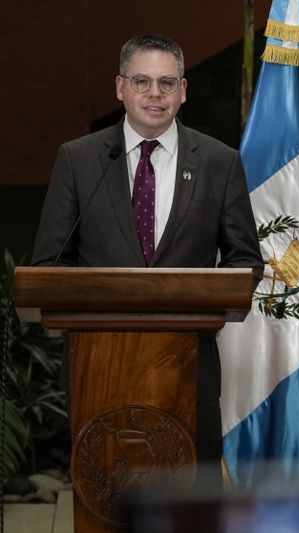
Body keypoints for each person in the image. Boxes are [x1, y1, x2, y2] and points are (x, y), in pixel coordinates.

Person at [31, 33, 263, 482]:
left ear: (183, 90)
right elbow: (48, 267)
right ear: (120, 87)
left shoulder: (220, 161)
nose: (154, 94)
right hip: (99, 373)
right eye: (142, 81)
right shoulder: (78, 160)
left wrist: (204, 302)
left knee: (191, 513)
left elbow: (245, 263)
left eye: (166, 83)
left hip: (190, 373)